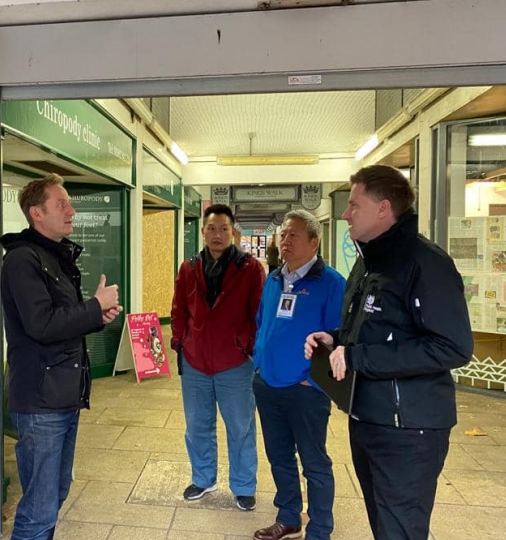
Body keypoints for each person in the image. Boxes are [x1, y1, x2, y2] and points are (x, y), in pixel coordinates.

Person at [305, 165, 473, 540]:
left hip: (409, 431)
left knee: (401, 531)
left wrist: (357, 358)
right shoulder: (369, 263)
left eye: (354, 204)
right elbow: (377, 329)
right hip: (370, 417)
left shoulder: (426, 264)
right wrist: (335, 341)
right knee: (386, 528)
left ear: (383, 209)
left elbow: (453, 346)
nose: (345, 213)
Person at [0, 173, 123, 540]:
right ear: (36, 213)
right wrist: (93, 306)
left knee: (55, 494)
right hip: (40, 401)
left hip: (63, 395)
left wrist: (95, 316)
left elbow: (60, 322)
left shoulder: (54, 256)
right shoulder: (23, 260)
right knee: (39, 507)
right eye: (61, 204)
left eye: (69, 203)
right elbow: (40, 324)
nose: (71, 210)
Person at [253, 210, 345, 540]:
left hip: (307, 389)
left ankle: (319, 531)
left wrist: (313, 380)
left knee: (314, 463)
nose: (285, 240)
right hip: (267, 383)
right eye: (283, 235)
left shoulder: (332, 283)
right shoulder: (274, 278)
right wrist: (258, 364)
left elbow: (337, 337)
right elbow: (262, 322)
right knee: (279, 457)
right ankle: (289, 516)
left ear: (314, 241)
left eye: (293, 235)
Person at [170, 204, 265, 511]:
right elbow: (178, 310)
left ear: (232, 232)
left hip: (234, 363)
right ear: (203, 232)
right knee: (197, 424)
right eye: (211, 228)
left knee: (240, 426)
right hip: (196, 361)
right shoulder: (189, 267)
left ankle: (243, 485)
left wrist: (246, 346)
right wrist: (181, 341)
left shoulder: (250, 269)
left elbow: (257, 313)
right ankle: (203, 478)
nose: (217, 234)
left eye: (224, 228)